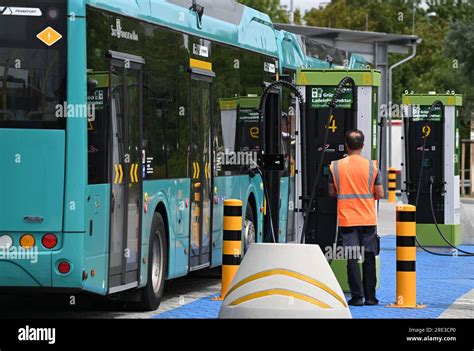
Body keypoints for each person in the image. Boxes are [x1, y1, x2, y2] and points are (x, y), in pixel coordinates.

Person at [328, 130, 384, 306]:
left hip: (347, 219)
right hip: (368, 219)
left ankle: (357, 297)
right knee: (369, 257)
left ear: (346, 145)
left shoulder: (335, 166)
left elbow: (331, 192)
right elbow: (380, 193)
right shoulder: (372, 166)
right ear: (362, 145)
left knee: (352, 257)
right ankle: (371, 297)